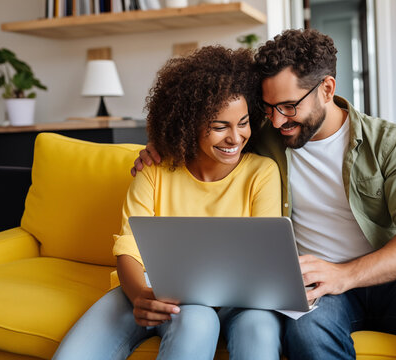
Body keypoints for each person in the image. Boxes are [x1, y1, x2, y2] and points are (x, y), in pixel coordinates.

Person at [133, 29, 396, 360]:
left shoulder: (389, 141)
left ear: (326, 88)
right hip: (316, 286)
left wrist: (346, 274)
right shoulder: (263, 138)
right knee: (307, 334)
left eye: (289, 106)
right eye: (269, 107)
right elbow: (207, 128)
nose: (277, 120)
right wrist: (162, 145)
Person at [53, 46, 283, 360]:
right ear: (188, 125)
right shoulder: (155, 171)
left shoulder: (261, 173)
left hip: (237, 302)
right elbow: (128, 246)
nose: (235, 138)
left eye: (242, 122)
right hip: (148, 286)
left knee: (251, 330)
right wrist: (140, 297)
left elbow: (263, 256)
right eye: (219, 127)